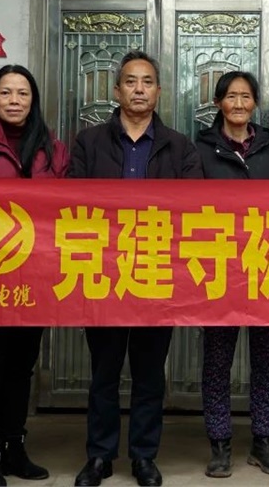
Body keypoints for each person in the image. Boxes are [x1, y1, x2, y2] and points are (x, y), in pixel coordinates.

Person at [69, 51, 203, 487]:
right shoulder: (89, 143)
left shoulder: (179, 147)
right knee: (104, 372)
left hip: (156, 272)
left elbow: (195, 209)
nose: (139, 89)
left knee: (149, 374)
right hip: (103, 272)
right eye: (130, 81)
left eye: (147, 82)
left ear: (158, 91)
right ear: (116, 90)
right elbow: (70, 204)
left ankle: (144, 456)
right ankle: (100, 456)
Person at [0, 65, 69, 486]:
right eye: (6, 92)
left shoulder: (54, 151)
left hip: (36, 273)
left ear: (33, 100)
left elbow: (67, 204)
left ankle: (14, 446)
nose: (15, 100)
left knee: (22, 363)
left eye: (23, 93)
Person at [195, 71, 269, 479]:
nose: (238, 103)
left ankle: (263, 441)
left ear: (255, 103)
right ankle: (219, 444)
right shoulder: (200, 149)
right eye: (231, 96)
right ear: (218, 102)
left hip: (267, 269)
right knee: (217, 361)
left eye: (246, 96)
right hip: (219, 269)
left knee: (267, 361)